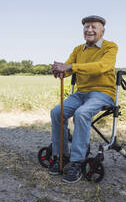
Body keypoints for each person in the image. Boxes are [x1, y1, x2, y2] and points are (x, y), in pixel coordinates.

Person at [50, 15, 118, 184]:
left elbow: (102, 67)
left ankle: (77, 162)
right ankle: (62, 156)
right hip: (81, 93)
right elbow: (67, 69)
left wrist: (71, 67)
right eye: (86, 27)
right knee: (56, 112)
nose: (89, 30)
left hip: (102, 93)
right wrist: (60, 70)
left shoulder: (110, 47)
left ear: (102, 31)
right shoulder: (78, 49)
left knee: (82, 113)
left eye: (94, 27)